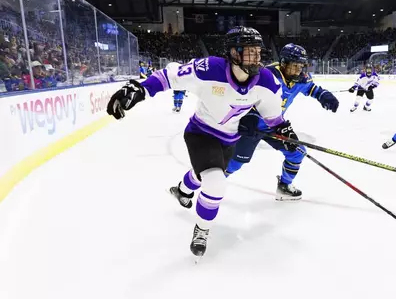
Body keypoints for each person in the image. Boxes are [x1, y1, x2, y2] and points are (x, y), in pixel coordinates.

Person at [106, 27, 297, 258]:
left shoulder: (266, 80)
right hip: (200, 133)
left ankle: (182, 191)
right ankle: (202, 230)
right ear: (234, 53)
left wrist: (285, 132)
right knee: (215, 182)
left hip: (230, 139)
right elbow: (169, 76)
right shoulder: (209, 69)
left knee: (201, 175)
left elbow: (273, 116)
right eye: (250, 51)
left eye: (258, 51)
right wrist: (138, 89)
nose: (256, 57)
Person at [224, 43, 339, 200]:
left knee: (297, 153)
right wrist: (248, 116)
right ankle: (209, 183)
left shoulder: (300, 79)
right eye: (295, 65)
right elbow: (243, 95)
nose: (299, 69)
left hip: (276, 126)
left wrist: (324, 95)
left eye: (301, 66)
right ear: (284, 63)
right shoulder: (266, 75)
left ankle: (284, 186)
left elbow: (312, 88)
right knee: (235, 163)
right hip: (251, 126)